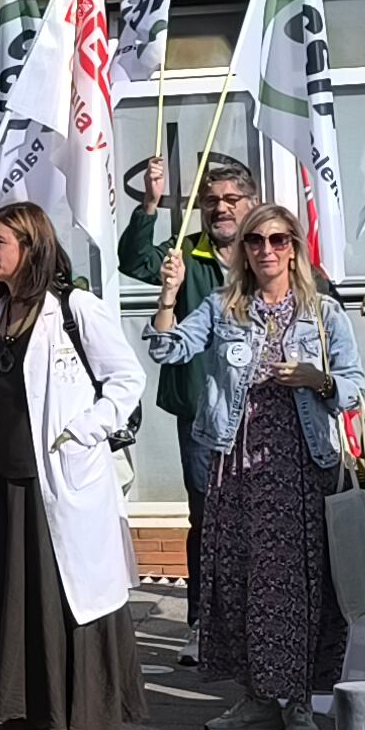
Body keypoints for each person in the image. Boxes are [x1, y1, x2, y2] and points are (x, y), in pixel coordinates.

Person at [150, 205, 361, 730]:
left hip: (302, 462)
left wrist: (319, 379)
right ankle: (257, 697)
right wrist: (168, 295)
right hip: (238, 462)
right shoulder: (224, 306)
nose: (267, 250)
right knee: (243, 581)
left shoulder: (324, 313)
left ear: (294, 246)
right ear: (242, 250)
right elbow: (168, 348)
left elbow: (354, 383)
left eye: (278, 239)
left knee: (303, 583)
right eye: (255, 241)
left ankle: (297, 702)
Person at [0, 201, 145, 730]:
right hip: (3, 478)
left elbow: (126, 378)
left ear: (30, 248)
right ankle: (29, 712)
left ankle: (91, 722)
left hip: (60, 479)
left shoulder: (73, 308)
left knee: (72, 595)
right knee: (14, 595)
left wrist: (88, 428)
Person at [120, 153, 255, 525]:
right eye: (211, 201)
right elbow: (134, 261)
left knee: (257, 514)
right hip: (201, 410)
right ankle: (205, 586)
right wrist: (150, 202)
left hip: (257, 410)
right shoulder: (186, 251)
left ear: (252, 204)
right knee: (207, 513)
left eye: (231, 200)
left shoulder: (266, 256)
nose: (221, 209)